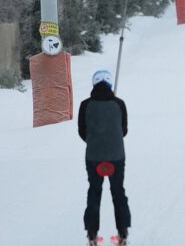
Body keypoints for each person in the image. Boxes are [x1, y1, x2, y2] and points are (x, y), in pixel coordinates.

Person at [78, 70, 130, 246]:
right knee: (118, 192)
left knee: (94, 191)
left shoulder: (85, 105)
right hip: (116, 155)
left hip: (93, 156)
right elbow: (123, 130)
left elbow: (81, 131)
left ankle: (92, 236)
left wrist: (93, 141)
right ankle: (123, 234)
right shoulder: (119, 103)